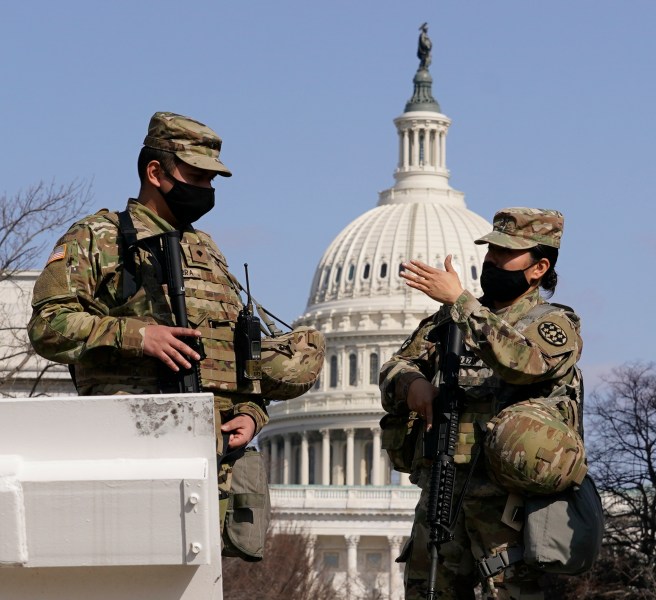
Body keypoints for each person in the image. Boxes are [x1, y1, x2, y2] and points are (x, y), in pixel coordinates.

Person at [27, 111, 323, 551]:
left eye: (212, 180)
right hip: (135, 452)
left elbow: (232, 354)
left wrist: (252, 414)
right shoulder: (99, 237)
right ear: (155, 172)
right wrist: (137, 336)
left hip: (213, 468)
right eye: (196, 176)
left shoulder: (206, 250)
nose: (206, 190)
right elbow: (47, 326)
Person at [380, 207, 585, 600]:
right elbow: (396, 365)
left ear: (538, 267)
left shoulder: (554, 323)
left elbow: (526, 363)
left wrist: (462, 302)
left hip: (510, 503)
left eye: (505, 254)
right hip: (444, 486)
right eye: (491, 251)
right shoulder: (450, 319)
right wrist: (411, 383)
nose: (491, 261)